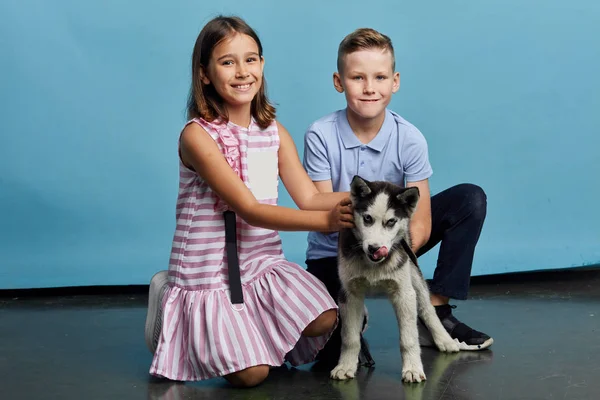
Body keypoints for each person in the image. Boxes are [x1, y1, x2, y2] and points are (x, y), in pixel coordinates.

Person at [144, 15, 355, 388]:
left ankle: (247, 335)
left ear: (262, 64)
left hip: (260, 263)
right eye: (228, 62)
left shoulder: (273, 132)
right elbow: (249, 209)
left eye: (251, 59)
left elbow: (310, 197)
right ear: (205, 74)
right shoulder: (197, 137)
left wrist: (371, 196)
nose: (242, 72)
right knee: (252, 376)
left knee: (324, 317)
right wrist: (326, 223)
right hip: (208, 272)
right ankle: (168, 305)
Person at [303, 28, 494, 364]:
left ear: (395, 81)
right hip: (338, 247)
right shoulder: (321, 134)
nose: (369, 87)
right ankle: (351, 324)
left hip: (393, 240)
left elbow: (419, 223)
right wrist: (366, 242)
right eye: (357, 77)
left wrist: (388, 252)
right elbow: (324, 211)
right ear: (338, 81)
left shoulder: (409, 138)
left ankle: (433, 309)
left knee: (470, 199)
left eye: (379, 77)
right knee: (332, 355)